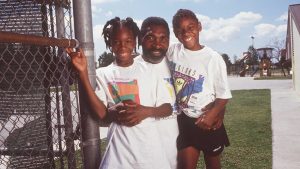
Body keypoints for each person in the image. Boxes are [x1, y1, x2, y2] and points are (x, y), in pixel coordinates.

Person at [66, 17, 173, 169]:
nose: (123, 46)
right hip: (120, 153)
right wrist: (83, 73)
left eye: (128, 41)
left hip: (150, 152)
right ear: (110, 44)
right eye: (117, 42)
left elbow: (167, 108)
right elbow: (102, 115)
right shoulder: (103, 74)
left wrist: (145, 111)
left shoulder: (149, 70)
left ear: (135, 42)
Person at [167, 9, 232, 169]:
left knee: (213, 164)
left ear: (199, 26)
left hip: (208, 121)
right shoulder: (172, 51)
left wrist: (214, 114)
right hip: (185, 121)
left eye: (191, 27)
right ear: (175, 34)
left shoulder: (213, 58)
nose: (186, 32)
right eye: (180, 30)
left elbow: (223, 95)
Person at [135, 16, 179, 169]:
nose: (157, 44)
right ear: (140, 39)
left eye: (163, 38)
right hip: (143, 153)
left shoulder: (175, 64)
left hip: (173, 150)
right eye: (150, 37)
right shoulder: (131, 68)